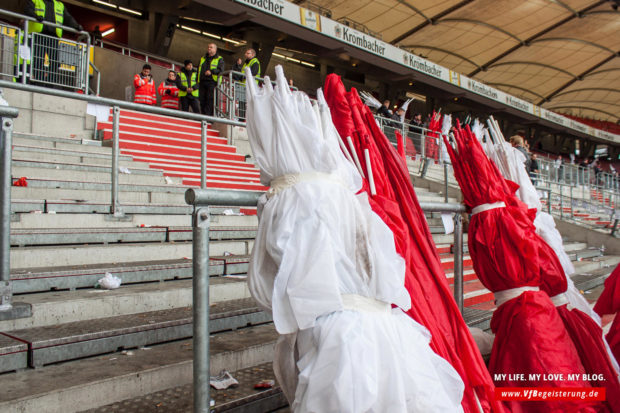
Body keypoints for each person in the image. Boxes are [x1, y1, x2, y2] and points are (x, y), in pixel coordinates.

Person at [24, 0, 83, 86]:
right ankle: (38, 83)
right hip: (38, 35)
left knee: (54, 62)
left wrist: (76, 26)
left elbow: (67, 18)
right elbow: (27, 10)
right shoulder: (35, 0)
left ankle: (50, 84)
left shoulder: (60, 5)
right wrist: (35, 16)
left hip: (53, 38)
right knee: (38, 61)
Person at [198, 43, 224, 116]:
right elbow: (198, 69)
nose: (209, 48)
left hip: (212, 82)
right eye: (208, 47)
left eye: (211, 47)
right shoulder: (203, 58)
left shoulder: (219, 59)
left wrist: (211, 72)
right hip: (202, 81)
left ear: (215, 49)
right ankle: (203, 116)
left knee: (210, 99)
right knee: (202, 99)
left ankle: (208, 117)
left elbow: (220, 70)